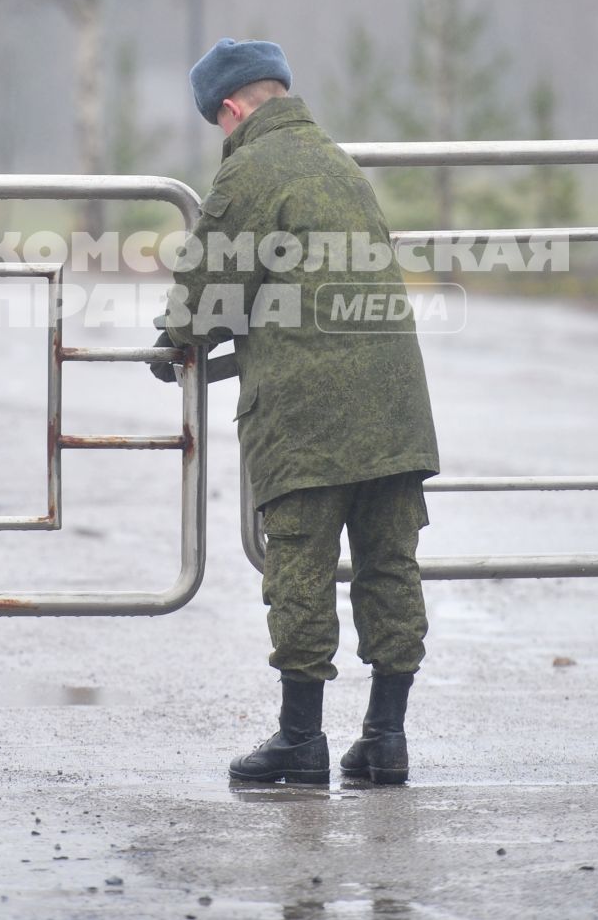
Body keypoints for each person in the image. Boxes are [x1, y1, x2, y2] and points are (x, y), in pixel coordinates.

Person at [150, 38, 439, 786]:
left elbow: (207, 285)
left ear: (231, 107)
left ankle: (301, 739)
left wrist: (173, 342)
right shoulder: (339, 161)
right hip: (397, 404)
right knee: (389, 565)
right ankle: (386, 737)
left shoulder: (251, 168)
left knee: (301, 566)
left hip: (311, 406)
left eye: (220, 122)